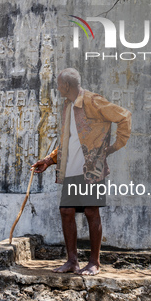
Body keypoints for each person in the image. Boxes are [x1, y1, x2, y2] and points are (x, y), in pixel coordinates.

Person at [32, 68, 131, 276]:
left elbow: (124, 116)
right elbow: (67, 142)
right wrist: (49, 160)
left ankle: (94, 262)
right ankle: (72, 261)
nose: (57, 88)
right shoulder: (68, 106)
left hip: (91, 169)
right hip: (71, 168)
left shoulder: (93, 101)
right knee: (66, 211)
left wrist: (113, 147)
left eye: (59, 84)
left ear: (66, 85)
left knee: (91, 211)